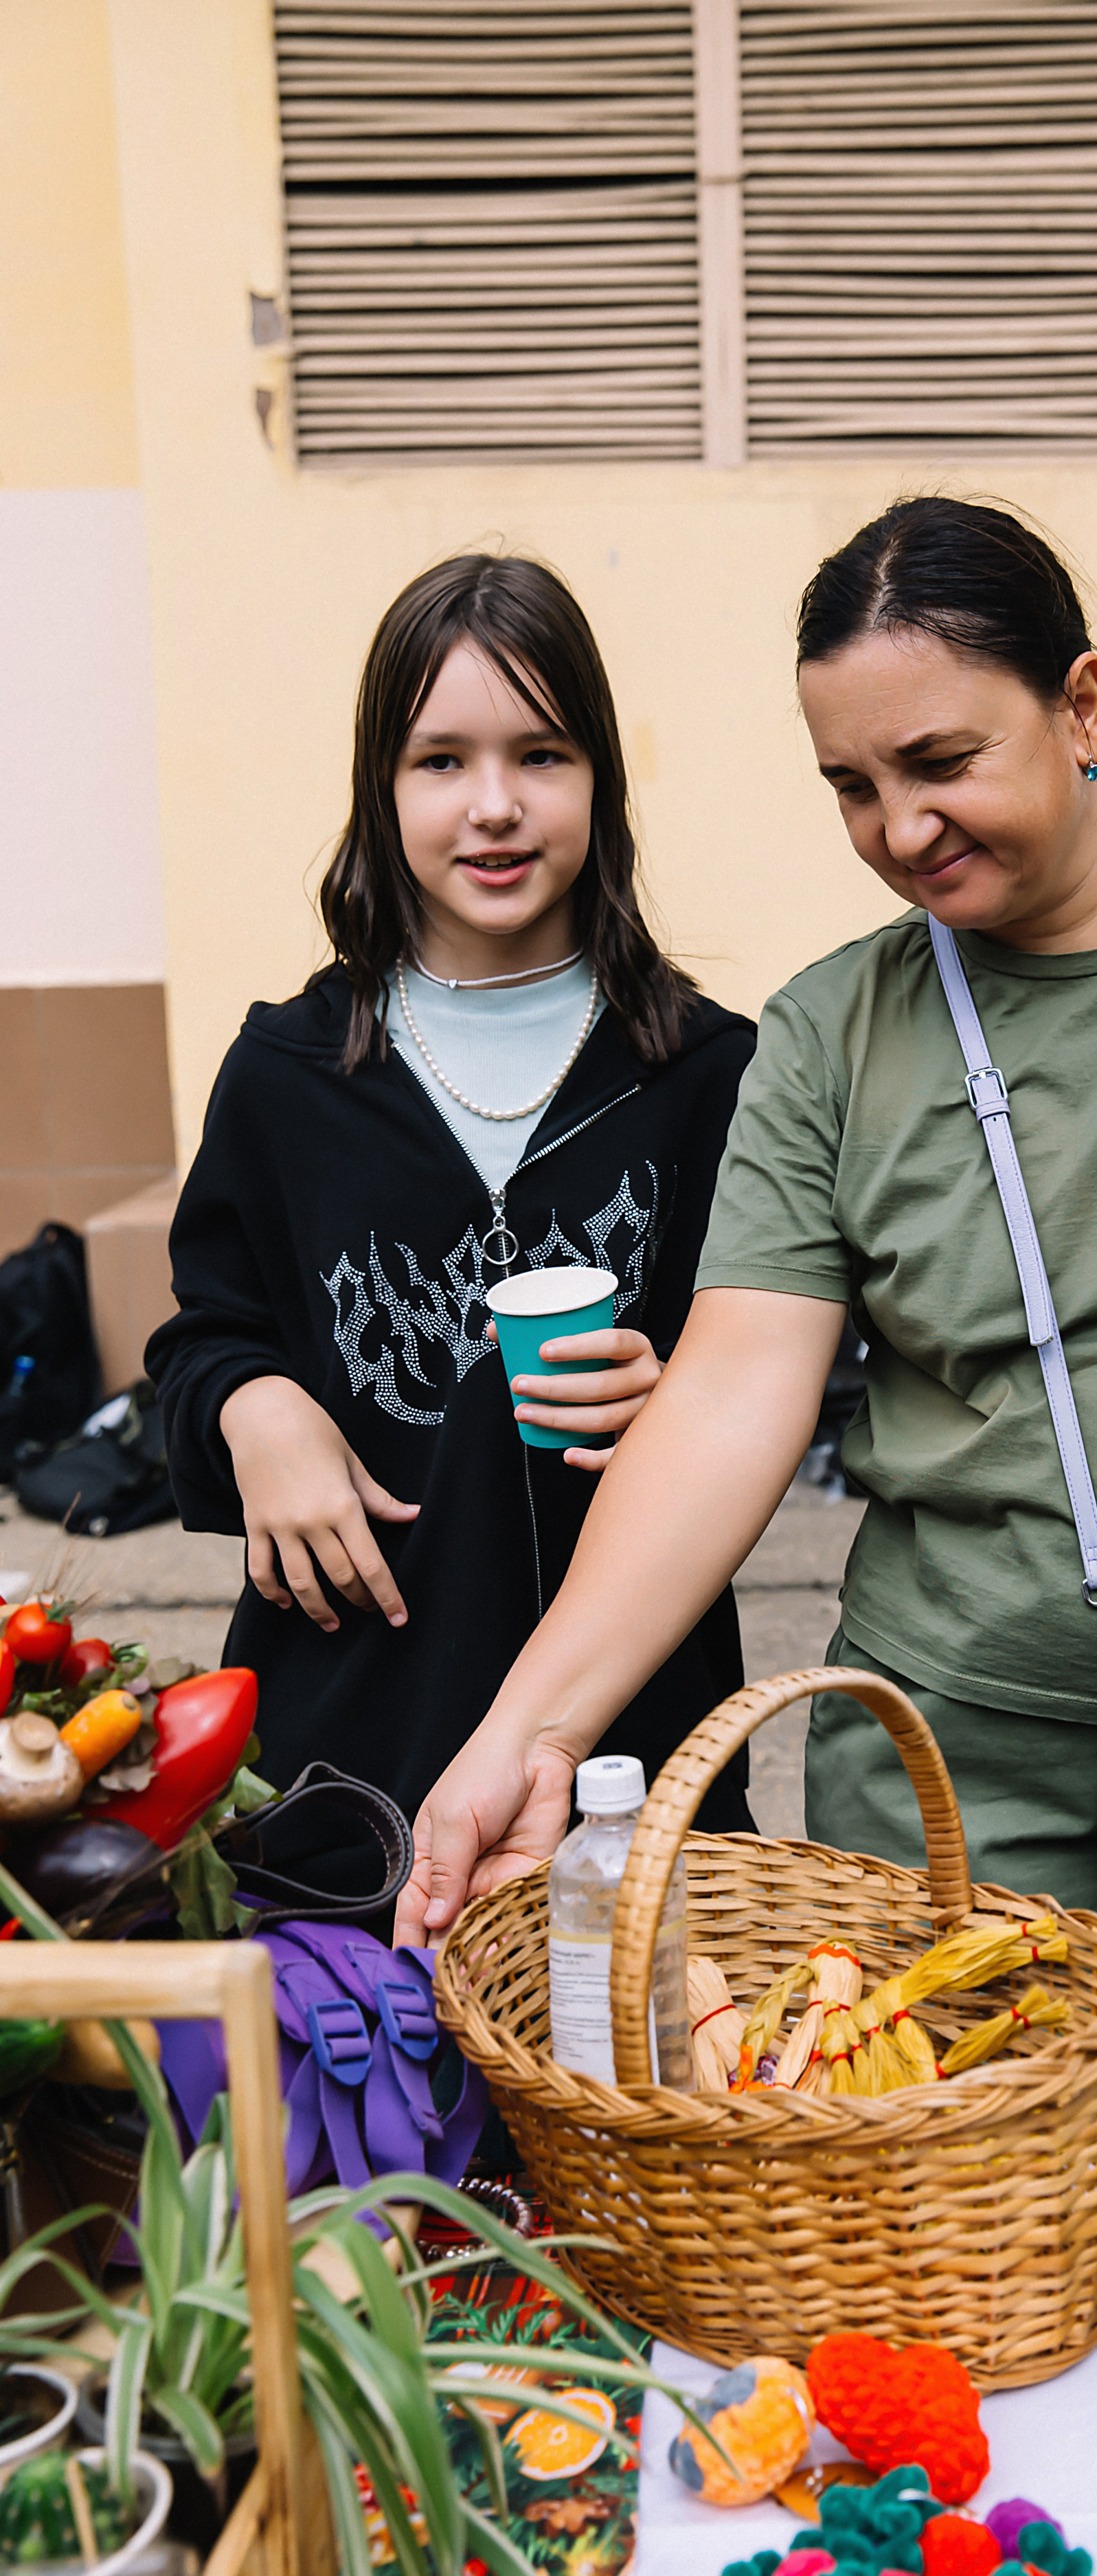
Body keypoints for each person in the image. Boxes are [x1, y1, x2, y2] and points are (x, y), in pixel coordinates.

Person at [396, 499, 1097, 2576]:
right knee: (951, 2347)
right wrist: (522, 1731)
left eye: (940, 762)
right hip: (959, 1798)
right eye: (850, 786)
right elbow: (733, 1395)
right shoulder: (838, 1032)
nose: (896, 828)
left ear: (1080, 704)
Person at [146, 553, 758, 1901]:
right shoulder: (288, 1071)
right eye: (441, 760)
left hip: (630, 1768)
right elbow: (196, 1346)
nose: (493, 804)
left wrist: (681, 1392)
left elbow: (776, 1376)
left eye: (541, 753)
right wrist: (253, 1405)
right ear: (381, 785)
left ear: (600, 777)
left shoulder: (708, 1072)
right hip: (341, 1769)